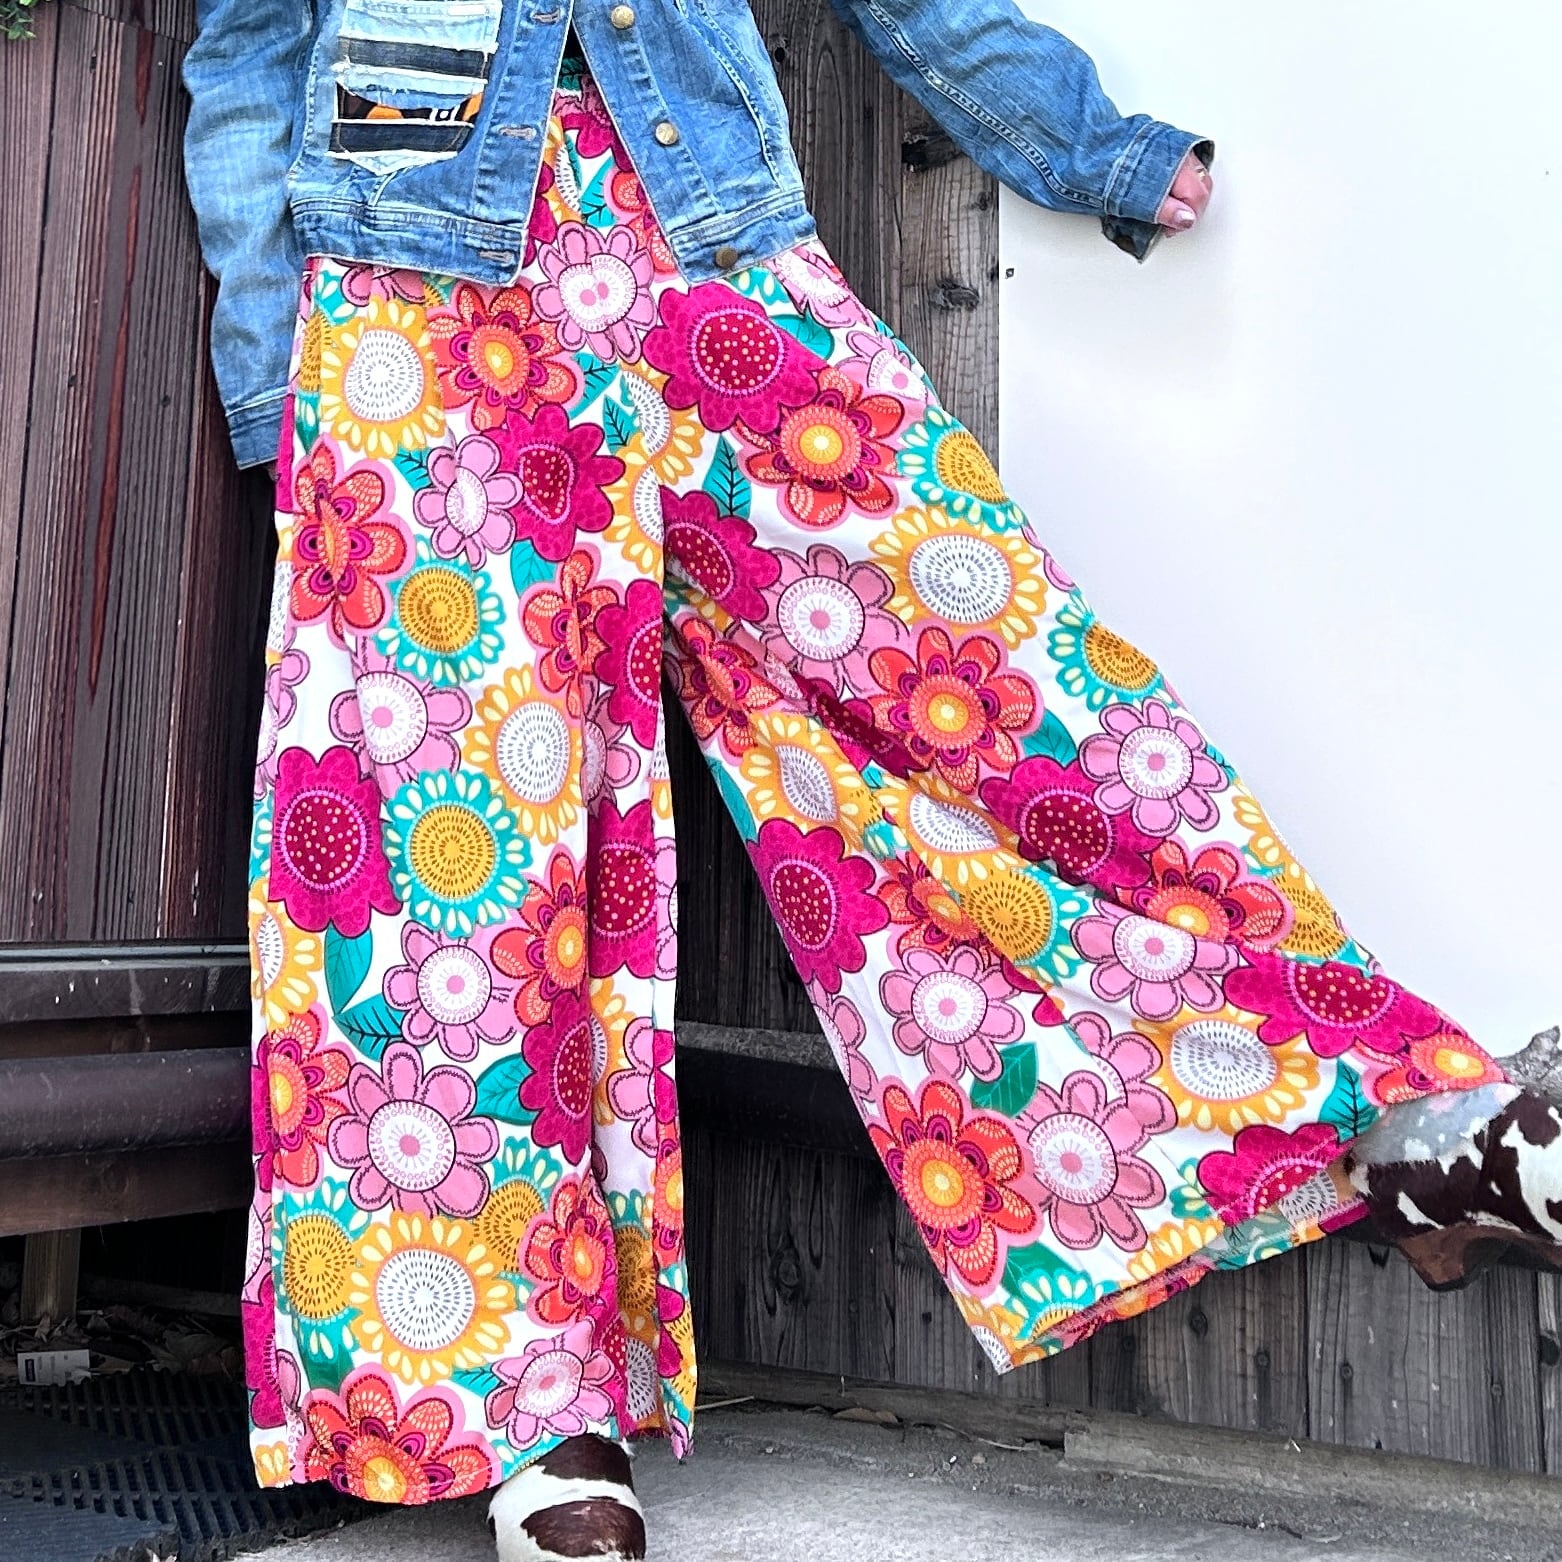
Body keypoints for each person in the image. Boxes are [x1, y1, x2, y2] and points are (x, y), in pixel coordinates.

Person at [180, 4, 1516, 1558]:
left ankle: (1388, 1120)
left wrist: (1076, 140)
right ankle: (533, 1413)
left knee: (999, 686)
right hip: (408, 306)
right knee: (459, 854)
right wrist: (277, 381)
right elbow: (248, 49)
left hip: (705, 235)